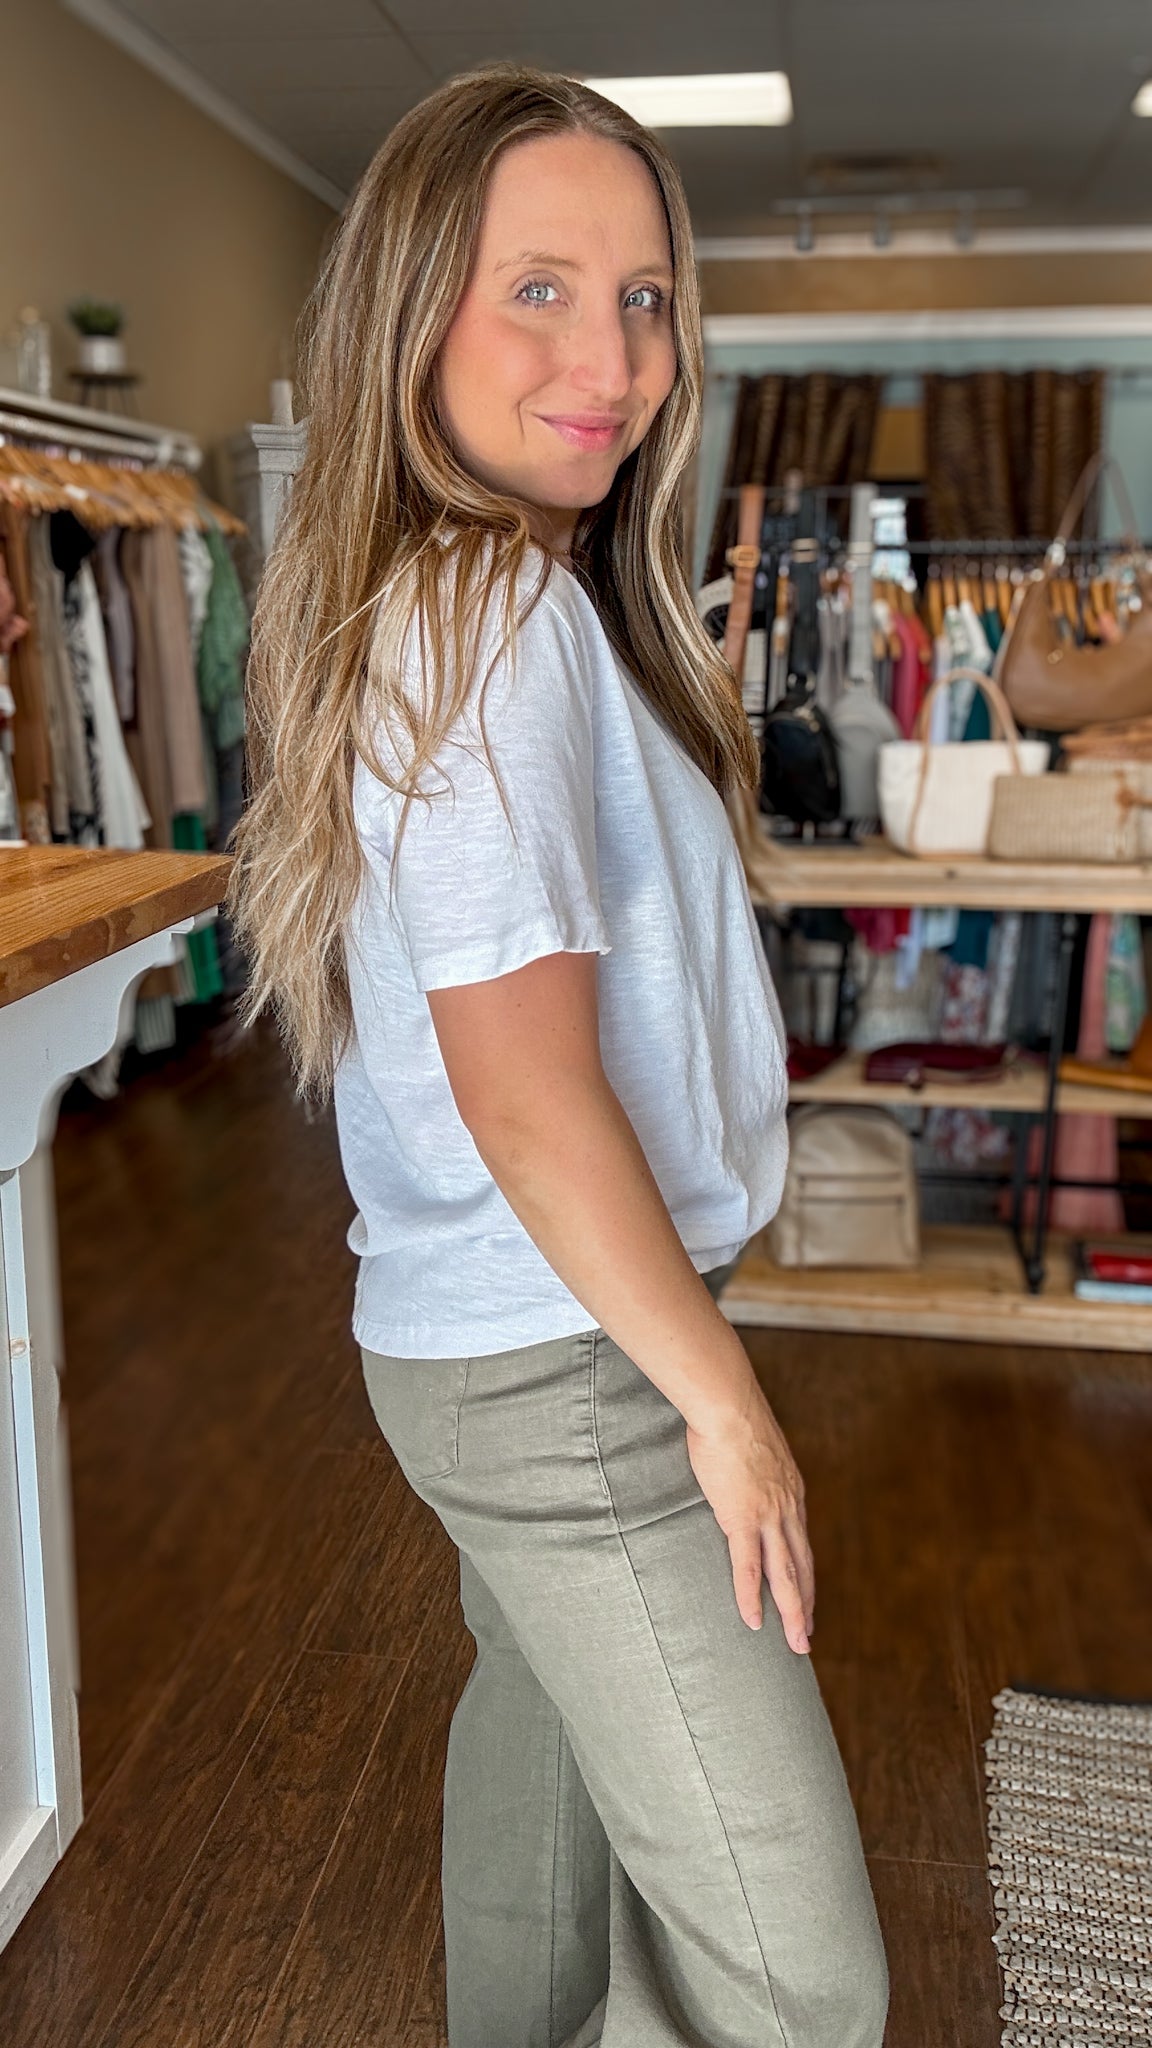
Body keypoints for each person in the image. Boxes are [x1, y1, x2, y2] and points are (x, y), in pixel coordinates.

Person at [229, 62, 888, 2048]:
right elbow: (523, 1086)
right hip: (571, 1364)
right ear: (413, 309)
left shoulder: (494, 604)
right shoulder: (487, 611)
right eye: (539, 290)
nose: (611, 360)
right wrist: (725, 1401)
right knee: (800, 1985)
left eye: (644, 298)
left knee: (545, 1774)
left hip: (506, 1339)